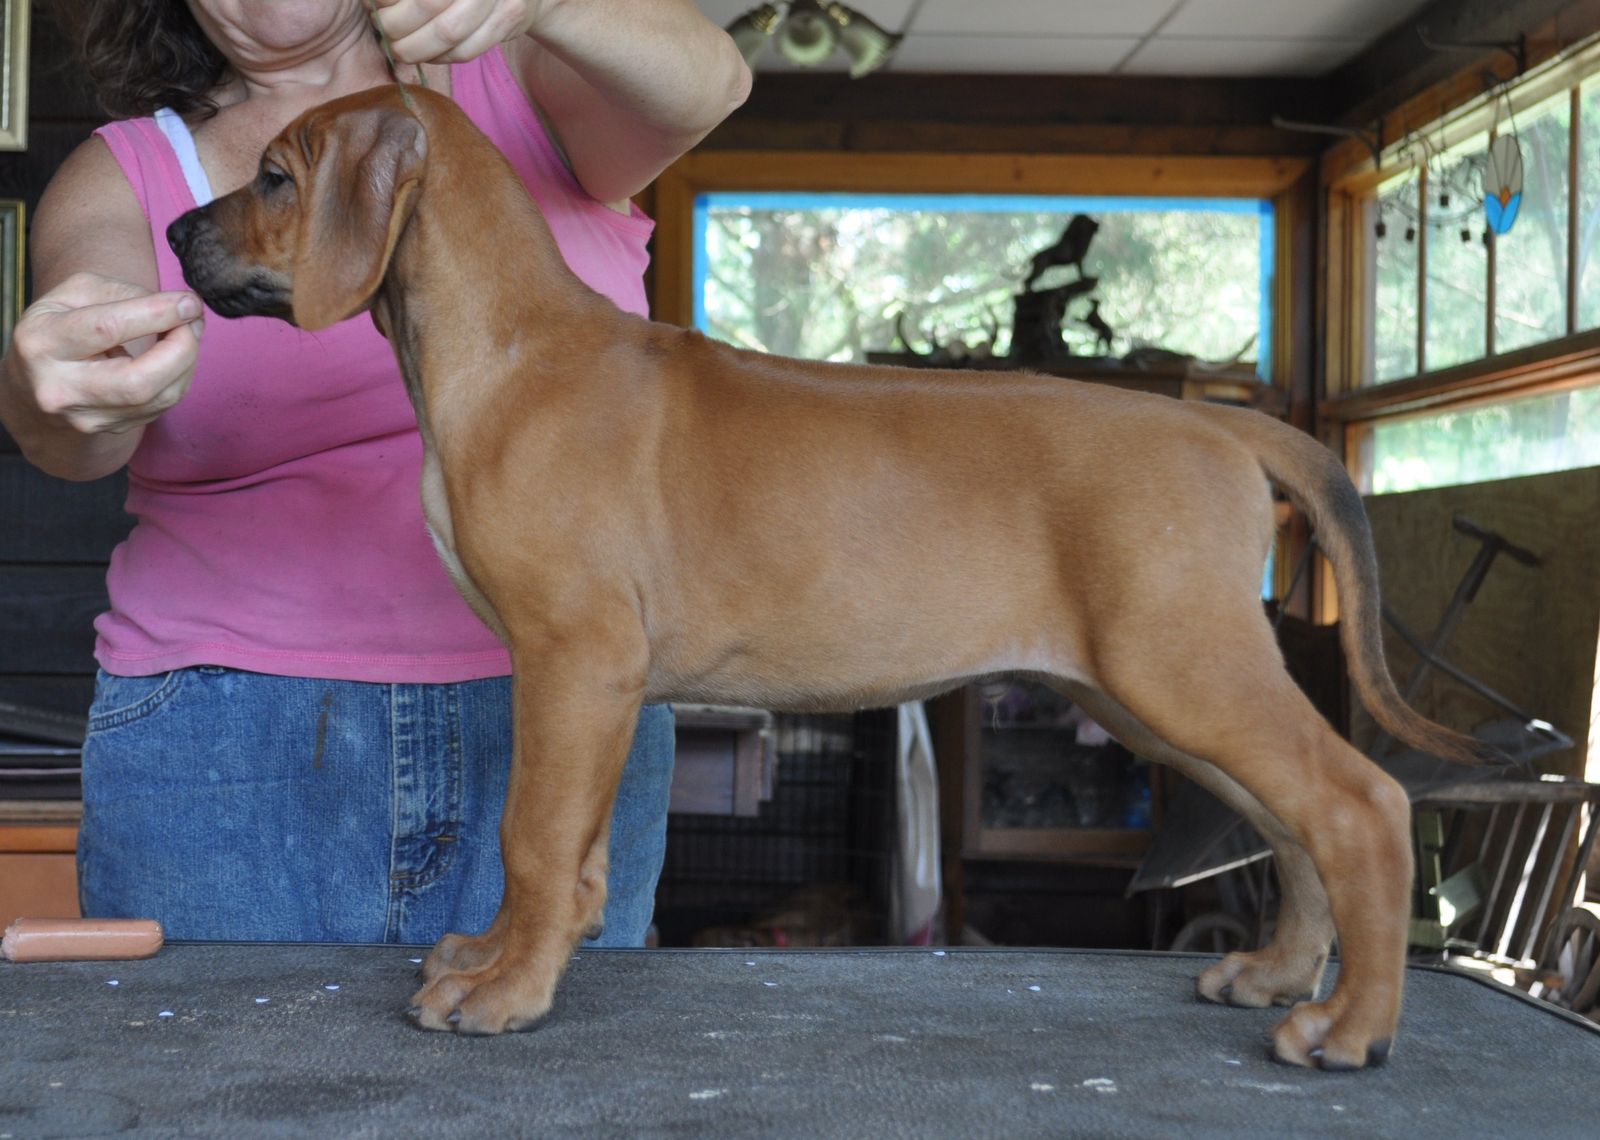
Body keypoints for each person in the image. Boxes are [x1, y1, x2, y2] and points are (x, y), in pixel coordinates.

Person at [0, 1, 749, 945]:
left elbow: (711, 84)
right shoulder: (125, 173)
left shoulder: (521, 79)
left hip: (560, 700)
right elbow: (79, 431)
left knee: (551, 1043)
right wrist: (58, 388)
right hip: (225, 737)